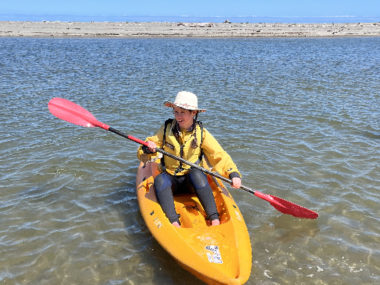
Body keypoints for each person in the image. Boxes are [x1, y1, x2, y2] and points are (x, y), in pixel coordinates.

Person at [137, 91, 241, 227]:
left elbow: (218, 154)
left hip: (192, 183)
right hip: (171, 181)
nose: (178, 116)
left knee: (197, 174)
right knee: (161, 180)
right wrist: (147, 148)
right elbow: (147, 148)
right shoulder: (166, 129)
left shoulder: (201, 133)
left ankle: (214, 218)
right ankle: (174, 222)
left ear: (193, 113)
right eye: (175, 112)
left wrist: (233, 174)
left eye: (182, 112)